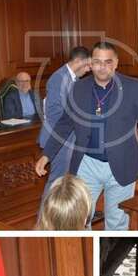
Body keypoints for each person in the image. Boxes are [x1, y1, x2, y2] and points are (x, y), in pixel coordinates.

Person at [36, 41, 138, 231]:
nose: (102, 67)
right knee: (80, 220)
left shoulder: (133, 87)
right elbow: (64, 124)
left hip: (123, 163)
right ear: (90, 64)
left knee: (117, 222)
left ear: (116, 63)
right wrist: (47, 154)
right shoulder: (78, 88)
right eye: (97, 62)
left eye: (108, 62)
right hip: (86, 165)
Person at [38, 46, 92, 201]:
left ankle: (65, 217)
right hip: (60, 139)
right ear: (78, 61)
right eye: (88, 65)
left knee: (67, 183)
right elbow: (57, 114)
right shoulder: (59, 78)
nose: (88, 70)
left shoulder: (72, 79)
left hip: (68, 138)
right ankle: (43, 222)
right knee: (56, 184)